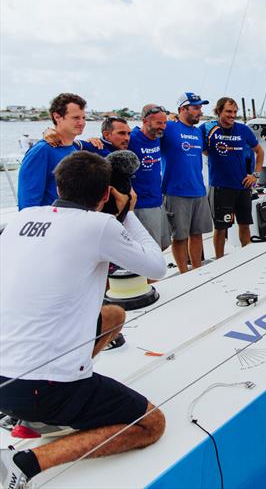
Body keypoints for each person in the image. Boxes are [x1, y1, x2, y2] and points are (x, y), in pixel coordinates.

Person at [0, 152, 167, 488]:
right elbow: (156, 268)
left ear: (58, 184)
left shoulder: (23, 217)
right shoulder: (100, 224)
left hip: (3, 377)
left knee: (113, 316)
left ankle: (37, 407)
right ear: (106, 194)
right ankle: (26, 462)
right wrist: (127, 215)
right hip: (39, 388)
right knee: (152, 424)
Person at [201, 97, 265, 258]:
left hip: (243, 186)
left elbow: (260, 151)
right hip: (221, 187)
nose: (232, 115)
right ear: (219, 111)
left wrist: (255, 175)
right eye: (228, 111)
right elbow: (201, 149)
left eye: (235, 112)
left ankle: (247, 257)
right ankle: (220, 260)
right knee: (221, 228)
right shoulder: (208, 128)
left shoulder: (243, 130)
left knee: (244, 225)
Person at [162, 92, 213, 273]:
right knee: (180, 236)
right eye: (196, 107)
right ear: (183, 109)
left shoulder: (198, 132)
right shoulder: (168, 128)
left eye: (200, 107)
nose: (200, 111)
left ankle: (197, 268)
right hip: (176, 191)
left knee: (197, 234)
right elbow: (145, 131)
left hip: (198, 189)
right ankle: (184, 272)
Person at [17, 93, 85, 209]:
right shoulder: (42, 150)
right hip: (52, 223)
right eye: (76, 118)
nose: (82, 123)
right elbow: (27, 203)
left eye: (83, 118)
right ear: (57, 117)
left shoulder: (76, 149)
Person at [129, 104, 170, 250]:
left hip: (158, 200)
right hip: (142, 204)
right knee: (151, 248)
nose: (163, 127)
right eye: (159, 123)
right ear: (145, 121)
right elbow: (108, 142)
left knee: (165, 243)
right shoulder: (131, 139)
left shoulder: (158, 137)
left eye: (165, 123)